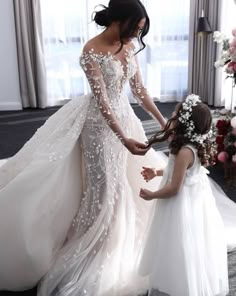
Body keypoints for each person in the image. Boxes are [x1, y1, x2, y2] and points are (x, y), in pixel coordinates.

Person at [0, 0, 167, 295]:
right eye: (135, 28)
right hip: (98, 127)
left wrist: (162, 119)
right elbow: (102, 101)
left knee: (126, 184)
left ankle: (115, 244)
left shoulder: (129, 47)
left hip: (125, 119)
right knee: (103, 191)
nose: (137, 36)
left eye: (141, 30)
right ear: (120, 19)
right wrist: (122, 138)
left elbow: (139, 90)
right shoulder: (91, 49)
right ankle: (90, 251)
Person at [139, 94, 230, 296]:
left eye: (175, 114)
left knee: (178, 242)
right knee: (181, 242)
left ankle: (181, 283)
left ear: (184, 123)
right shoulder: (188, 147)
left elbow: (174, 188)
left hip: (179, 203)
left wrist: (153, 194)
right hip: (191, 198)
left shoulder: (184, 152)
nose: (171, 115)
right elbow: (178, 170)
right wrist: (157, 172)